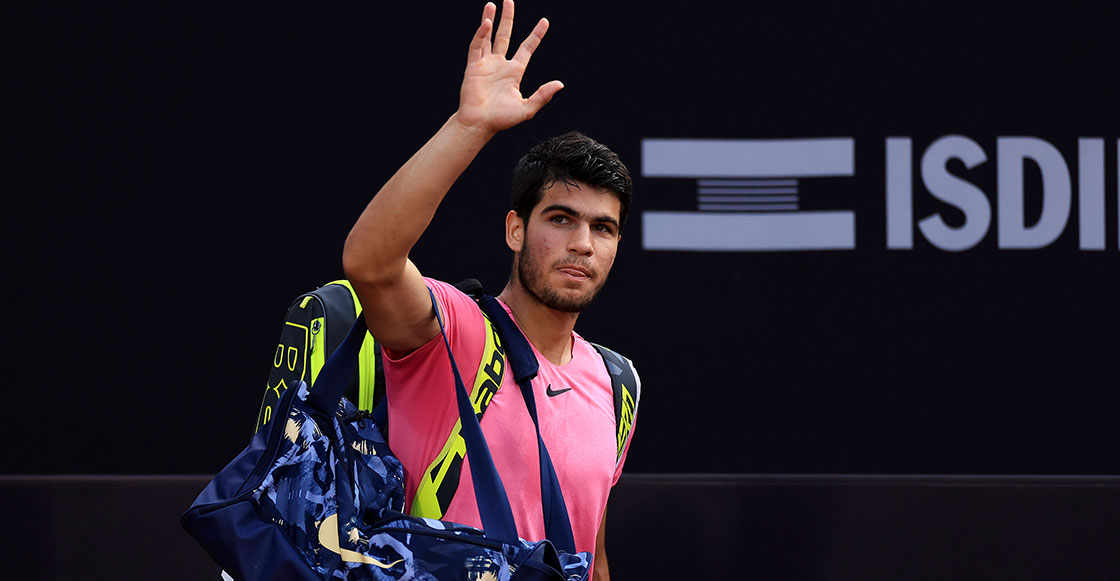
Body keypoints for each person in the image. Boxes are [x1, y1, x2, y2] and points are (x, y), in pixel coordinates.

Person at [342, 1, 637, 579]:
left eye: (602, 228)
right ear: (515, 229)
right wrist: (469, 127)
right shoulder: (455, 332)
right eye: (560, 219)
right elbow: (370, 263)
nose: (582, 243)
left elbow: (592, 558)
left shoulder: (618, 383)